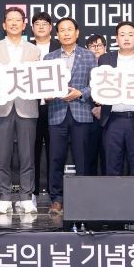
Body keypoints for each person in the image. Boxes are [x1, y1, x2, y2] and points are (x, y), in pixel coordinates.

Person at [0, 7, 40, 214]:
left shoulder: (34, 50)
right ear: (4, 24)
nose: (14, 23)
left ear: (24, 24)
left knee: (27, 155)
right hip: (2, 106)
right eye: (10, 19)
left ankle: (27, 196)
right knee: (3, 155)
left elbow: (38, 79)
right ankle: (4, 197)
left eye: (18, 20)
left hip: (27, 106)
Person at [43, 17, 97, 213]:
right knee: (55, 159)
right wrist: (47, 94)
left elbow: (96, 84)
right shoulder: (49, 58)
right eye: (62, 30)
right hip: (57, 113)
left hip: (81, 113)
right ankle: (56, 199)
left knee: (82, 159)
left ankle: (81, 199)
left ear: (77, 33)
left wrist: (80, 93)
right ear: (57, 34)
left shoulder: (89, 56)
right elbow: (43, 86)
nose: (66, 33)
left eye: (69, 29)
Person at [97, 22, 134, 178]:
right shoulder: (105, 59)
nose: (126, 38)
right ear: (116, 39)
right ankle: (112, 195)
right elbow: (97, 86)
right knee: (111, 166)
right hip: (112, 119)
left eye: (130, 35)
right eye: (122, 35)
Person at [29, 11, 60, 205]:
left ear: (51, 27)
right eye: (37, 24)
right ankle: (31, 192)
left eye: (44, 24)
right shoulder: (25, 48)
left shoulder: (59, 47)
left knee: (54, 151)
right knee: (31, 151)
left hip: (54, 107)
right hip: (31, 107)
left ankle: (54, 194)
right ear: (32, 28)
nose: (41, 27)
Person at [85, 34, 107, 176]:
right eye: (92, 46)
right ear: (87, 49)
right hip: (88, 116)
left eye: (99, 45)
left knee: (108, 155)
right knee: (89, 155)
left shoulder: (112, 65)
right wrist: (92, 108)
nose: (96, 48)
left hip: (109, 117)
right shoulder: (83, 65)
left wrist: (103, 108)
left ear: (105, 47)